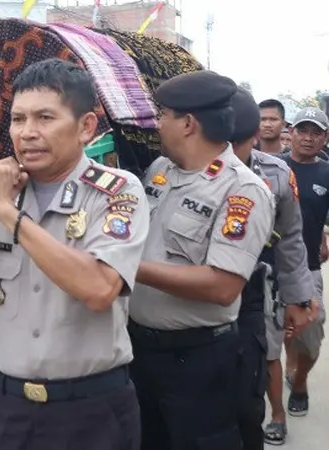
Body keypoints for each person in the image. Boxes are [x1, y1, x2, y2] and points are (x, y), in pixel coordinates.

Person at [0, 58, 149, 450]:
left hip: (92, 411)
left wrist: (8, 214)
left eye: (45, 118)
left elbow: (99, 288)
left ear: (86, 127)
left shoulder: (117, 191)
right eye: (18, 119)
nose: (27, 133)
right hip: (10, 410)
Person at [129, 71, 275, 450]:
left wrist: (125, 265)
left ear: (188, 123)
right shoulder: (159, 172)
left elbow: (223, 286)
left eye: (163, 115)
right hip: (140, 352)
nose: (157, 124)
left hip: (197, 361)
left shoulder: (242, 190)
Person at [228, 89, 315, 449]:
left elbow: (291, 239)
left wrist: (298, 296)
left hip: (264, 280)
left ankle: (276, 414)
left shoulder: (278, 174)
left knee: (269, 354)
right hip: (212, 285)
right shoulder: (188, 167)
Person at [278, 106, 329, 419]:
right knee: (279, 332)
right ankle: (286, 371)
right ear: (291, 132)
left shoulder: (327, 172)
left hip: (308, 266)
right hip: (272, 266)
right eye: (302, 130)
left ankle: (300, 381)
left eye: (316, 132)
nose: (308, 138)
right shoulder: (273, 167)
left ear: (324, 138)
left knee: (312, 332)